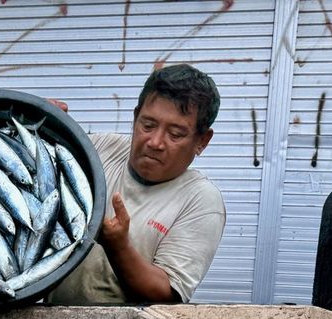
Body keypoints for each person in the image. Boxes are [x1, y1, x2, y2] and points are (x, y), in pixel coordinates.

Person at [47, 63, 225, 305]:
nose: (155, 142)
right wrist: (45, 125)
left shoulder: (201, 200)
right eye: (148, 125)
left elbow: (166, 292)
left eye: (175, 134)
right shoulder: (100, 149)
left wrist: (119, 248)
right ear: (135, 117)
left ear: (202, 141)